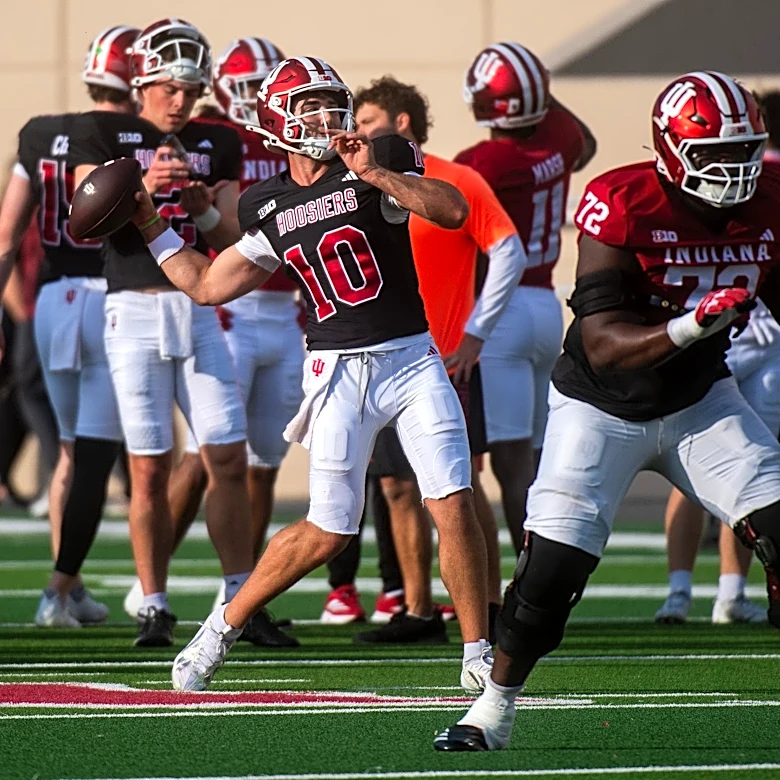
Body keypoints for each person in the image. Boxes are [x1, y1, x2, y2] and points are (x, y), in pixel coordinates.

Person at [121, 54, 491, 690]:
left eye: (332, 103)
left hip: (410, 357)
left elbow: (453, 211)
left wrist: (375, 174)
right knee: (328, 530)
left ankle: (478, 654)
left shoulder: (378, 156)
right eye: (310, 106)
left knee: (452, 500)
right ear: (277, 120)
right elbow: (208, 285)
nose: (326, 116)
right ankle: (220, 628)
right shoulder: (267, 202)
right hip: (335, 371)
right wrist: (149, 224)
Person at [435, 71, 780, 752]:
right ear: (672, 150)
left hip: (701, 401)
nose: (733, 168)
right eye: (714, 153)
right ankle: (492, 710)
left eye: (743, 150)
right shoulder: (625, 201)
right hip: (599, 406)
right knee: (550, 575)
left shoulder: (770, 201)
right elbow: (602, 343)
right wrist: (688, 326)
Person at [68, 18, 255, 647]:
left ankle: (240, 596)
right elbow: (82, 218)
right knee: (148, 468)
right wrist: (142, 187)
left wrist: (202, 208)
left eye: (192, 91)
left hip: (197, 307)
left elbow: (231, 236)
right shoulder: (103, 131)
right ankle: (153, 603)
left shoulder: (216, 140)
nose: (181, 101)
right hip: (133, 310)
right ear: (143, 83)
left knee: (227, 456)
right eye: (171, 88)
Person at [122, 36, 299, 648]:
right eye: (245, 86)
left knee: (256, 464)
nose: (256, 99)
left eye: (265, 87)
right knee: (196, 458)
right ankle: (150, 587)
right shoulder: (214, 140)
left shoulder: (286, 144)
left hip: (275, 306)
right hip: (221, 305)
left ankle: (245, 597)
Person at [342, 76, 525, 646]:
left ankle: (489, 607)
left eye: (368, 120)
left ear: (402, 123)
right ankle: (418, 609)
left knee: (459, 487)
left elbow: (509, 251)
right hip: (382, 357)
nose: (357, 131)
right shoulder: (355, 184)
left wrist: (475, 335)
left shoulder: (457, 177)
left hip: (443, 361)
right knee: (396, 487)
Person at [0, 25, 140, 627]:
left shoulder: (39, 134)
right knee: (124, 452)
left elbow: (5, 235)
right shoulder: (139, 135)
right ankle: (99, 588)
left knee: (67, 452)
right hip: (113, 298)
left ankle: (69, 587)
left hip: (55, 300)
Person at [455, 42, 596, 553]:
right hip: (543, 306)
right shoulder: (559, 141)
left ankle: (529, 575)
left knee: (511, 463)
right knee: (535, 456)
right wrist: (537, 90)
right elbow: (586, 144)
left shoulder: (481, 161)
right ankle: (543, 564)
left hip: (499, 312)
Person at [655, 91, 780, 625]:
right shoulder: (751, 187)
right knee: (730, 467)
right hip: (730, 338)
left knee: (750, 472)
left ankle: (698, 591)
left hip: (737, 336)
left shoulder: (758, 184)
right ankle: (712, 591)